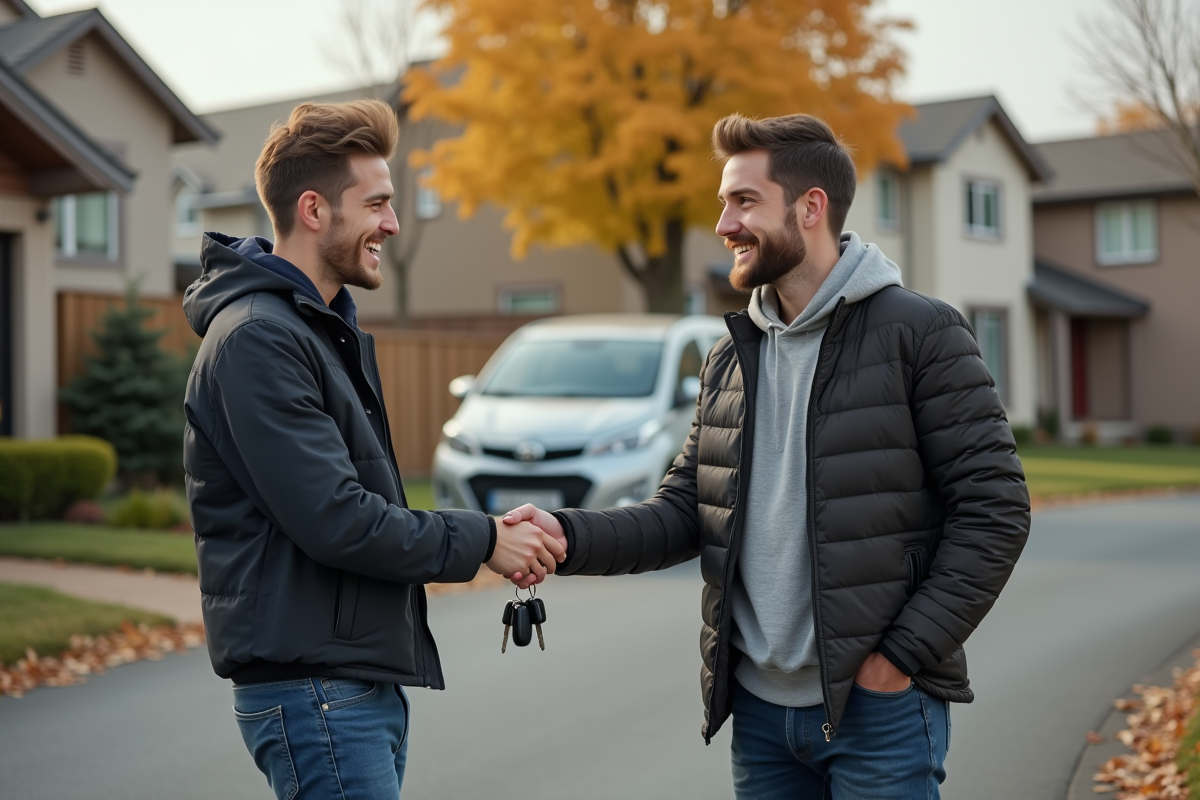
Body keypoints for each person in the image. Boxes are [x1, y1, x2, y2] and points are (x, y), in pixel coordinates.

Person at [504, 112, 1030, 799]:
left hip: (877, 710)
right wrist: (566, 535)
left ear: (811, 208)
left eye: (743, 201)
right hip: (758, 714)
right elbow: (687, 511)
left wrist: (899, 657)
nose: (724, 224)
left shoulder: (921, 333)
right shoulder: (731, 353)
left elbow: (996, 510)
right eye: (724, 202)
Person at [181, 99, 562, 800]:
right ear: (314, 211)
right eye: (378, 203)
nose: (392, 223)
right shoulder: (260, 339)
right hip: (317, 691)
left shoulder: (313, 330)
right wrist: (484, 540)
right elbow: (339, 519)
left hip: (345, 685)